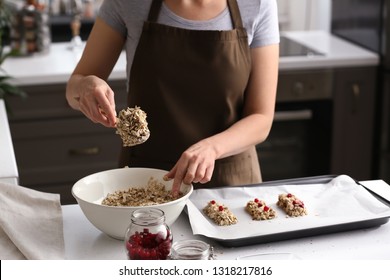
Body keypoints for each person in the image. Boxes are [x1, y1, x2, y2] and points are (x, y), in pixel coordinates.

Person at [65, 0, 280, 196]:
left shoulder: (256, 4)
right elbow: (75, 86)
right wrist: (85, 86)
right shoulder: (129, 3)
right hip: (146, 181)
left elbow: (261, 117)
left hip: (229, 182)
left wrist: (212, 148)